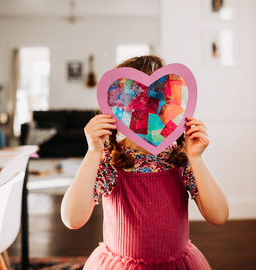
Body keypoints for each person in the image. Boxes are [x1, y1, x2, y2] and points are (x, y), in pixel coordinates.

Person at [61, 55, 229, 269]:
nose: (152, 113)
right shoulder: (111, 161)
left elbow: (219, 215)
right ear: (120, 109)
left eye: (162, 102)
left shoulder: (181, 158)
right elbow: (72, 219)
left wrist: (195, 157)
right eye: (140, 105)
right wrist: (93, 152)